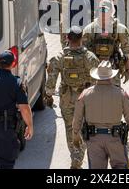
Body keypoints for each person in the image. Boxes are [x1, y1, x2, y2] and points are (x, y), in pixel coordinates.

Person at [45, 26, 100, 169]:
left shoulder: (59, 57)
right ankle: (79, 155)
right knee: (84, 128)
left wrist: (49, 96)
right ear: (82, 38)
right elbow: (99, 81)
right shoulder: (90, 58)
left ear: (67, 38)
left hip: (66, 100)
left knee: (70, 129)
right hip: (86, 100)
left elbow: (51, 79)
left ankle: (76, 157)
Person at [72, 61, 129, 169]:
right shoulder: (121, 93)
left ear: (96, 77)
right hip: (115, 139)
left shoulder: (85, 94)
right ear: (111, 77)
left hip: (94, 139)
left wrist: (75, 134)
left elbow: (77, 116)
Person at [82, 0, 129, 86]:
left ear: (111, 12)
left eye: (106, 10)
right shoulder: (89, 29)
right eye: (101, 10)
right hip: (94, 70)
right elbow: (83, 52)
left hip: (113, 69)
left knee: (114, 96)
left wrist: (127, 70)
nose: (103, 13)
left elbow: (127, 51)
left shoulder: (119, 29)